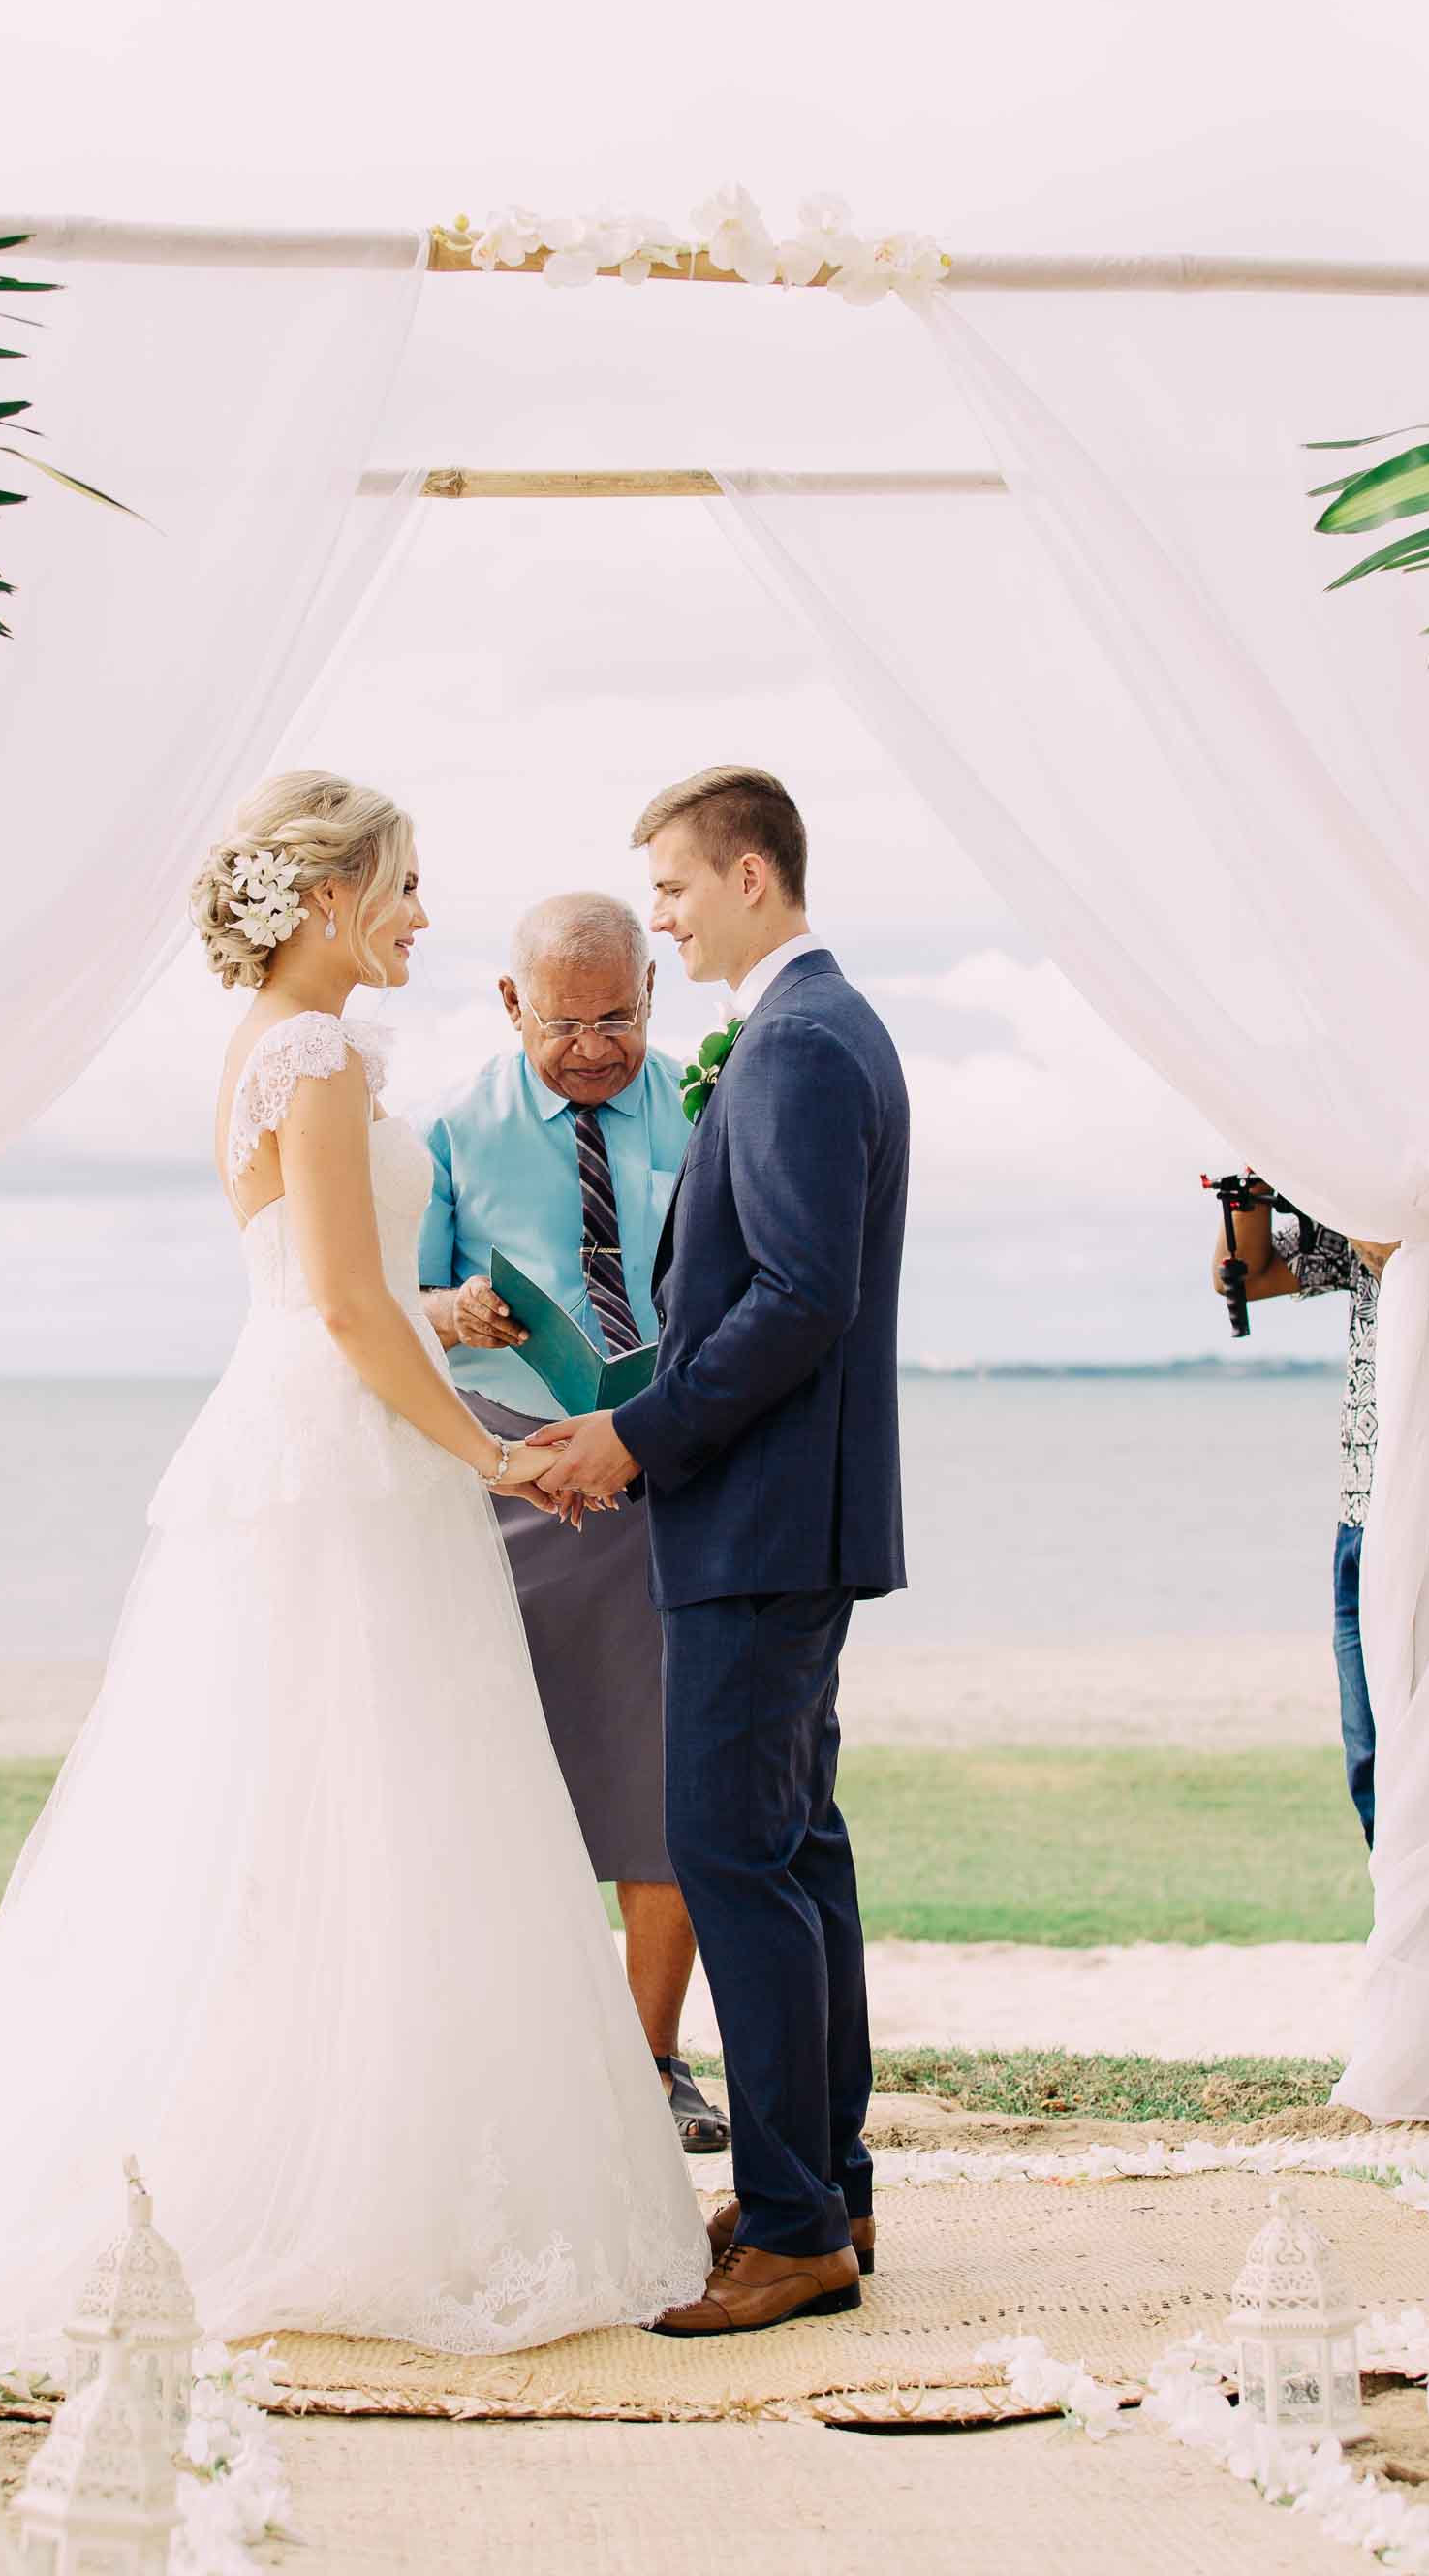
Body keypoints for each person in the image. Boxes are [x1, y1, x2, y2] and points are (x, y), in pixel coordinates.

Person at [0, 772, 707, 2377]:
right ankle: (334, 2169)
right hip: (345, 1459)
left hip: (316, 1438)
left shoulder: (292, 1045)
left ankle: (337, 2119)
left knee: (319, 1803)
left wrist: (435, 1316)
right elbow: (336, 1306)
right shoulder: (312, 1051)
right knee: (370, 1799)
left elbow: (334, 1282)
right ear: (327, 900)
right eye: (401, 885)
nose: (420, 915)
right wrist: (495, 1454)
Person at [534, 765, 909, 2339]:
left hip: (757, 1522)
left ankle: (800, 2228)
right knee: (792, 1852)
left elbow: (800, 1300)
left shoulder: (805, 1043)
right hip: (774, 1520)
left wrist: (640, 1435)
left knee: (735, 1858)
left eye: (675, 891)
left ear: (748, 872)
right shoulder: (808, 1032)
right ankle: (815, 2181)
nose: (664, 920)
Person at [419, 893, 726, 2154]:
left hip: (671, 1477)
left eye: (618, 1019)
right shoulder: (452, 1129)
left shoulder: (705, 1114)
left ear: (653, 1000)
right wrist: (458, 1310)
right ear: (510, 1006)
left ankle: (650, 2062)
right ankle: (514, 2058)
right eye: (565, 1023)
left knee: (669, 1784)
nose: (595, 1046)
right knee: (502, 1784)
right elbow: (394, 1301)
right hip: (514, 1483)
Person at [1211, 1188, 1394, 1846]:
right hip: (1363, 1515)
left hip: (1424, 1513)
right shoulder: (1377, 1203)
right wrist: (1258, 1188)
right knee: (1373, 1766)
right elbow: (1246, 1273)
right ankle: (1410, 1940)